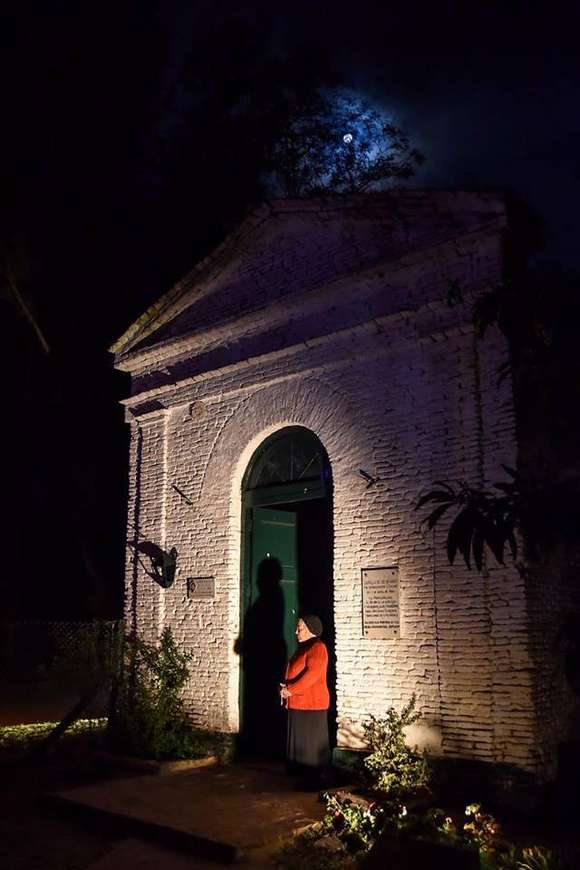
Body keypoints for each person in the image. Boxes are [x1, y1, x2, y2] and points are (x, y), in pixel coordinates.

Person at [279, 614, 330, 788]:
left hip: (311, 704)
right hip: (298, 703)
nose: (296, 632)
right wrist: (285, 688)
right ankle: (300, 775)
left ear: (311, 630)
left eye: (299, 628)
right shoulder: (304, 647)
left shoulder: (317, 647)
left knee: (310, 743)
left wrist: (291, 690)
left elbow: (312, 676)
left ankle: (314, 779)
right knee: (300, 740)